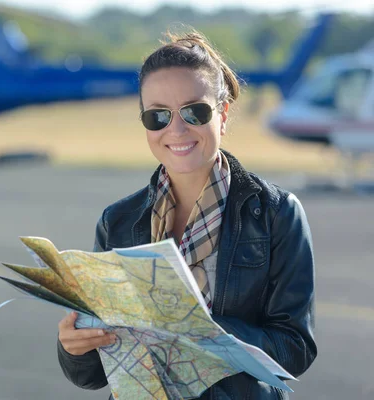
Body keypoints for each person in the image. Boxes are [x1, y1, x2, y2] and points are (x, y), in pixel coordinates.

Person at [56, 30, 317, 399]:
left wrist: (200, 331)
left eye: (195, 111)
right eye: (157, 116)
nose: (176, 129)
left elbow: (295, 350)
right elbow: (94, 374)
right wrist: (73, 347)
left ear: (223, 115)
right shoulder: (117, 222)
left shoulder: (276, 213)